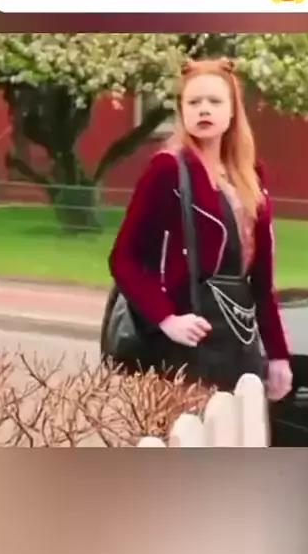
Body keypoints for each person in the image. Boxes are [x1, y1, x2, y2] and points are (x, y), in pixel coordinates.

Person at [108, 57, 292, 401]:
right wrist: (167, 319)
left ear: (233, 111)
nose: (203, 109)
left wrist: (278, 354)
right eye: (194, 102)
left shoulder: (250, 175)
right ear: (182, 110)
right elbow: (124, 259)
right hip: (187, 348)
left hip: (241, 344)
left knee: (240, 431)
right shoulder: (167, 169)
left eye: (214, 101)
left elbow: (262, 281)